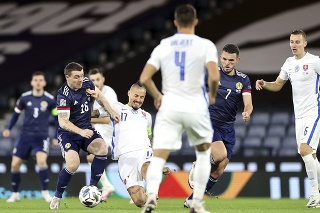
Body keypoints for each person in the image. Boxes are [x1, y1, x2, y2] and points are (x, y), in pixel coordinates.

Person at [139, 4, 220, 213]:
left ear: (175, 22)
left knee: (158, 157)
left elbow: (145, 78)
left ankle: (151, 198)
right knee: (203, 155)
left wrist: (157, 96)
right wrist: (211, 95)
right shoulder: (205, 45)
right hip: (196, 106)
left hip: (170, 106)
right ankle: (196, 203)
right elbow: (214, 76)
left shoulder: (164, 45)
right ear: (195, 22)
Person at [255, 30, 320, 208]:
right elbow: (278, 85)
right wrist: (264, 84)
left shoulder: (314, 61)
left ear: (305, 43)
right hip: (299, 116)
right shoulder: (289, 63)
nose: (294, 45)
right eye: (291, 41)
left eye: (297, 42)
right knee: (310, 155)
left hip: (314, 112)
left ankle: (315, 194)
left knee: (305, 149)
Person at [183, 44, 253, 208]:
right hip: (208, 120)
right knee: (220, 155)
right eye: (224, 59)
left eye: (231, 60)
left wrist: (247, 112)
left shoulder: (243, 80)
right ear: (220, 57)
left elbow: (248, 103)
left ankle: (193, 199)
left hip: (228, 126)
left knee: (219, 168)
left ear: (237, 60)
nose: (227, 63)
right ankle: (200, 162)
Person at [49, 62, 120, 209]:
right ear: (67, 77)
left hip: (86, 128)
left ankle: (92, 188)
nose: (80, 79)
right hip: (69, 134)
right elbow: (63, 122)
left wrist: (112, 113)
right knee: (73, 164)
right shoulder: (63, 95)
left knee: (102, 148)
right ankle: (57, 196)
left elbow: (100, 96)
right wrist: (80, 131)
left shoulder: (87, 83)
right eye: (76, 77)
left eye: (81, 76)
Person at [111, 82, 170, 208]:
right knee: (139, 201)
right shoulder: (117, 108)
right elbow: (97, 114)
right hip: (125, 157)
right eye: (136, 96)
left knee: (146, 166)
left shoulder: (147, 116)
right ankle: (149, 198)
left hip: (143, 151)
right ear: (129, 93)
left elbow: (149, 137)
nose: (138, 100)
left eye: (142, 97)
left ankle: (152, 192)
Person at [2, 71, 58, 203]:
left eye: (40, 80)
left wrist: (55, 136)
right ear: (32, 82)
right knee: (14, 165)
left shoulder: (50, 100)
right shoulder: (24, 98)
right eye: (35, 80)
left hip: (41, 137)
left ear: (44, 82)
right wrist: (8, 129)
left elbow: (57, 119)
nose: (38, 83)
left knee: (41, 162)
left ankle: (45, 193)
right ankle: (15, 194)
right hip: (25, 136)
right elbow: (15, 115)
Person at [87, 68, 118, 201]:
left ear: (103, 79)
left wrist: (86, 119)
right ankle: (106, 186)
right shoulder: (87, 92)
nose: (95, 82)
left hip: (113, 132)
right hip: (100, 132)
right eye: (92, 80)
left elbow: (107, 119)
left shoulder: (109, 93)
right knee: (90, 157)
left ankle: (142, 189)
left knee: (128, 161)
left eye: (98, 79)